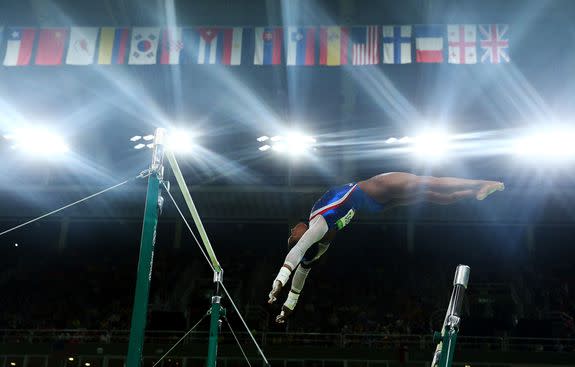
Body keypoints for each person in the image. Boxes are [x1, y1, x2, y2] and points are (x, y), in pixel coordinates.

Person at [267, 172, 504, 323]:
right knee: (429, 183)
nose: (292, 233)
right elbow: (297, 256)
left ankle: (473, 193)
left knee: (429, 194)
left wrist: (288, 306)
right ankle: (482, 183)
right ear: (302, 234)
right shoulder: (317, 226)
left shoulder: (318, 242)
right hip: (373, 189)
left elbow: (301, 275)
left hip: (372, 204)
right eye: (292, 236)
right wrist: (279, 280)